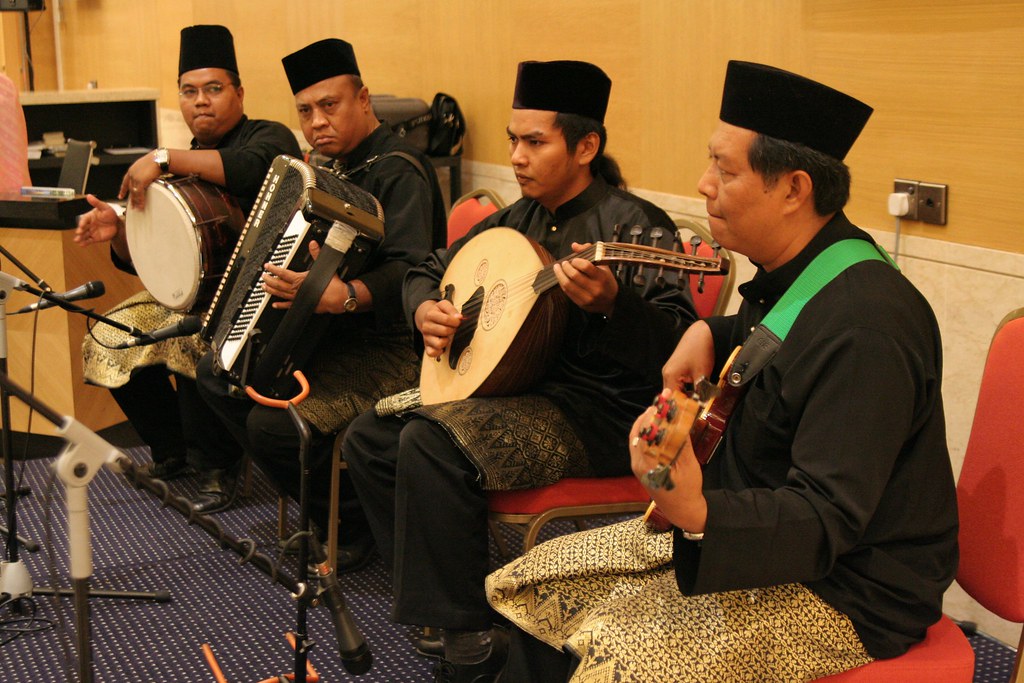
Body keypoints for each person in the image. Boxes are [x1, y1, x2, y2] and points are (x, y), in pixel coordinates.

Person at [485, 60, 959, 682]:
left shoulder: (870, 325)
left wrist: (700, 513)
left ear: (793, 190)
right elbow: (784, 343)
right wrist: (709, 328)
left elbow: (827, 518)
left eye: (724, 169)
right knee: (524, 586)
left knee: (616, 657)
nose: (703, 185)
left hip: (845, 592)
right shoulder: (800, 269)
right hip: (753, 531)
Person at [342, 59, 696, 682]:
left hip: (600, 413)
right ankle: (445, 599)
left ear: (587, 146)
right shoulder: (516, 221)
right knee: (370, 436)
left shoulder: (636, 226)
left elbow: (673, 343)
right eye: (512, 140)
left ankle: (470, 638)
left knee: (430, 438)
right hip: (520, 392)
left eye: (536, 142)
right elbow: (429, 266)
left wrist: (617, 305)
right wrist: (425, 306)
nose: (517, 157)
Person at [194, 38, 446, 561]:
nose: (316, 122)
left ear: (363, 99)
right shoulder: (329, 170)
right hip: (331, 338)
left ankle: (352, 525)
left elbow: (410, 267)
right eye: (305, 112)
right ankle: (323, 508)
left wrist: (344, 295)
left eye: (329, 106)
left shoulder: (399, 169)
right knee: (220, 375)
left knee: (273, 423)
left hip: (392, 349)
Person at [73, 25, 301, 510]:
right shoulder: (179, 163)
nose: (201, 102)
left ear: (239, 93)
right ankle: (172, 447)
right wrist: (122, 234)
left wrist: (161, 156)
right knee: (109, 336)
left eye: (214, 89)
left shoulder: (267, 136)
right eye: (189, 91)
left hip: (258, 293)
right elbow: (153, 265)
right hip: (192, 293)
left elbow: (251, 168)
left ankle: (218, 464)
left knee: (186, 338)